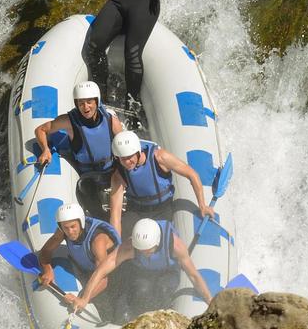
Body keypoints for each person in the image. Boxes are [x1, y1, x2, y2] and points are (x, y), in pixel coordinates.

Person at [65, 217, 212, 319]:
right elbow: (101, 270)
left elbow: (193, 276)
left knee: (163, 289)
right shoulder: (130, 247)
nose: (144, 253)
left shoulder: (176, 246)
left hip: (168, 272)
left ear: (157, 242)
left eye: (148, 250)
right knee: (141, 291)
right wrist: (84, 298)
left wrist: (209, 300)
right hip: (144, 273)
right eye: (141, 250)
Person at [34, 81, 125, 216]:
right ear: (76, 104)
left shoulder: (110, 119)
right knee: (89, 196)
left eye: (89, 102)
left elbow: (124, 145)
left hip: (111, 170)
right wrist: (45, 150)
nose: (85, 107)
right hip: (88, 175)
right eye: (81, 103)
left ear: (96, 101)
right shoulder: (69, 121)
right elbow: (40, 130)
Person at [108, 129, 214, 234]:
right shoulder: (118, 175)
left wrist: (202, 205)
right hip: (136, 211)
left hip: (162, 208)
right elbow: (115, 215)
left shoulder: (160, 157)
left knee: (162, 240)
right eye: (123, 159)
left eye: (130, 157)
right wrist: (117, 242)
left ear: (138, 151)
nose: (127, 162)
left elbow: (192, 174)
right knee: (127, 237)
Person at [37, 202, 120, 311]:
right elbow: (45, 251)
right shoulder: (62, 232)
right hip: (86, 269)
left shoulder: (97, 241)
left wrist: (80, 299)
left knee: (107, 308)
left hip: (112, 277)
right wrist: (48, 270)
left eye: (73, 226)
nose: (70, 232)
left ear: (81, 223)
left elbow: (103, 280)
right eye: (66, 228)